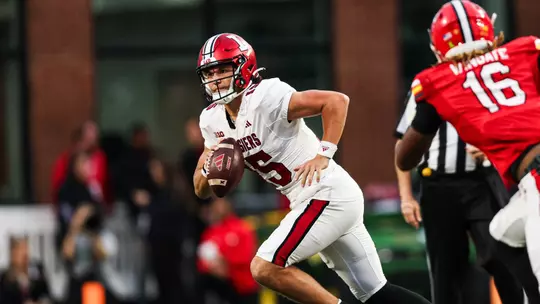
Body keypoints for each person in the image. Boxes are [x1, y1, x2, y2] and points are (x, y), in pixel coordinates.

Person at [193, 33, 431, 304]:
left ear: (243, 67)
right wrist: (207, 166)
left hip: (324, 192)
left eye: (223, 69)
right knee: (377, 293)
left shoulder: (265, 97)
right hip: (315, 199)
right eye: (210, 72)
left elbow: (336, 102)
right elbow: (202, 191)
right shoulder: (211, 120)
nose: (216, 79)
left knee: (264, 267)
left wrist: (325, 153)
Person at [395, 0, 540, 298]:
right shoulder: (525, 50)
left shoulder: (435, 82)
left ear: (437, 47)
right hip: (466, 183)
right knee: (501, 235)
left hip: (522, 179)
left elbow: (405, 155)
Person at [395, 91, 524, 304]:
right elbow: (402, 143)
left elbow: (516, 128)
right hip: (438, 184)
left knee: (500, 255)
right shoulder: (425, 86)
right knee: (445, 268)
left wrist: (492, 148)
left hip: (482, 182)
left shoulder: (483, 78)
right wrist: (406, 197)